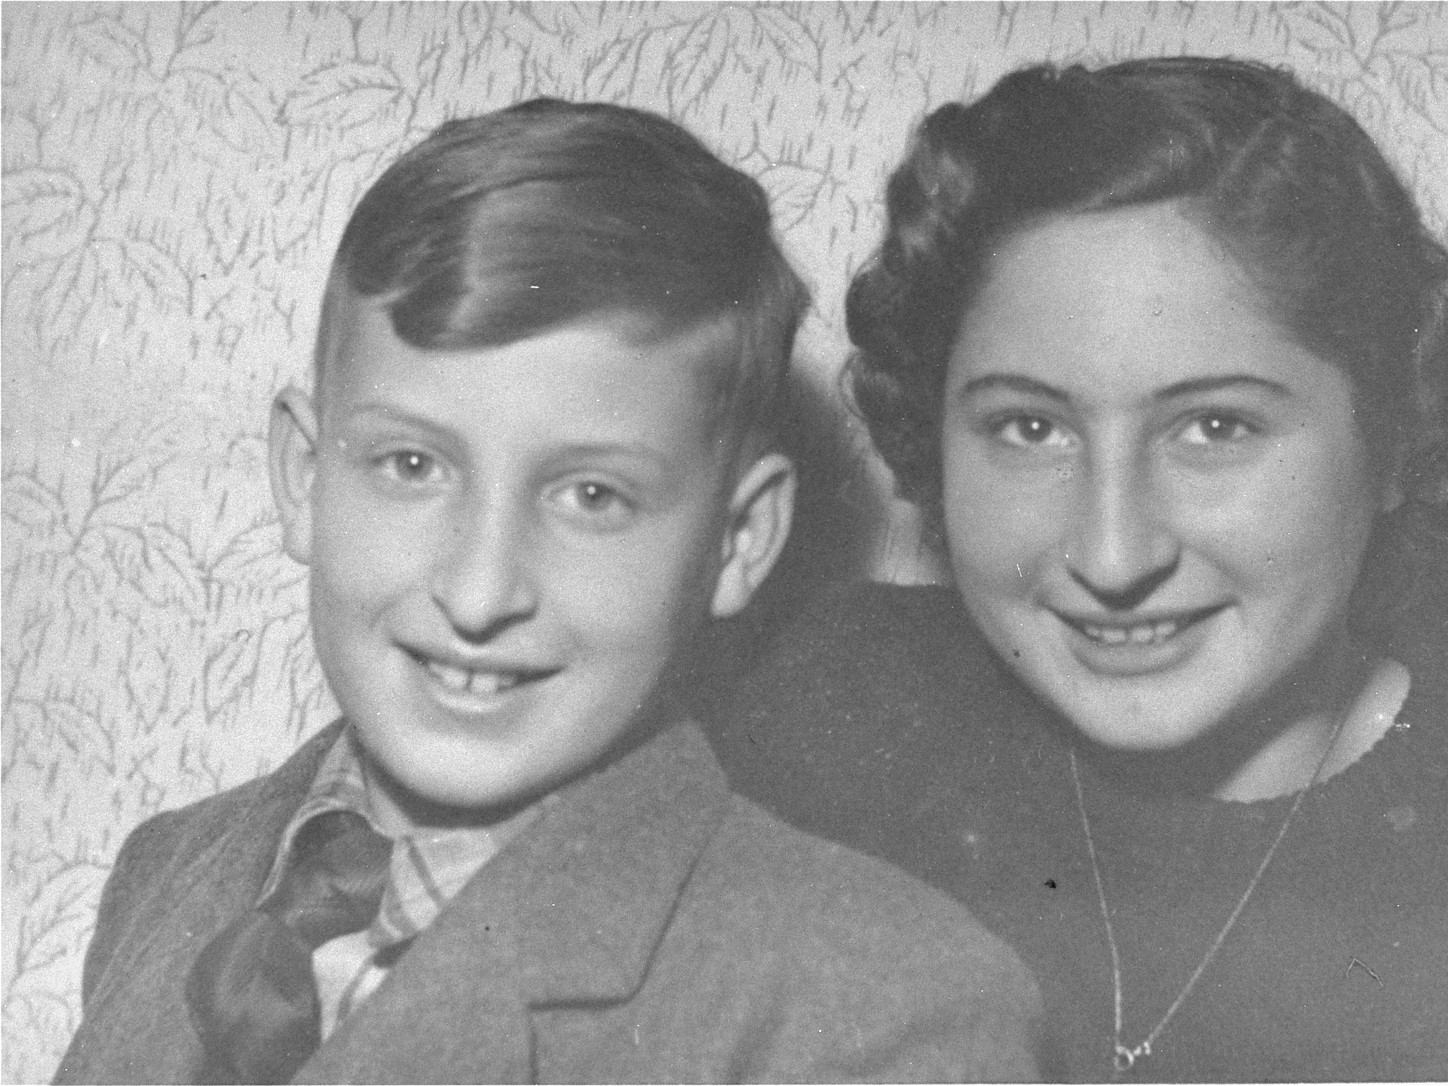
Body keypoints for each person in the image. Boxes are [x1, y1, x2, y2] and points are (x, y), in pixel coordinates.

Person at [707, 58, 1448, 1081]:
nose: (1114, 553)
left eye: (1216, 427)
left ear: (1395, 436)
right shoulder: (812, 723)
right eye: (1030, 429)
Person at [53, 98, 1045, 1085]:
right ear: (305, 477)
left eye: (591, 496)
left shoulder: (880, 1008)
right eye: (410, 465)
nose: (481, 593)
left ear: (740, 540)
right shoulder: (171, 872)